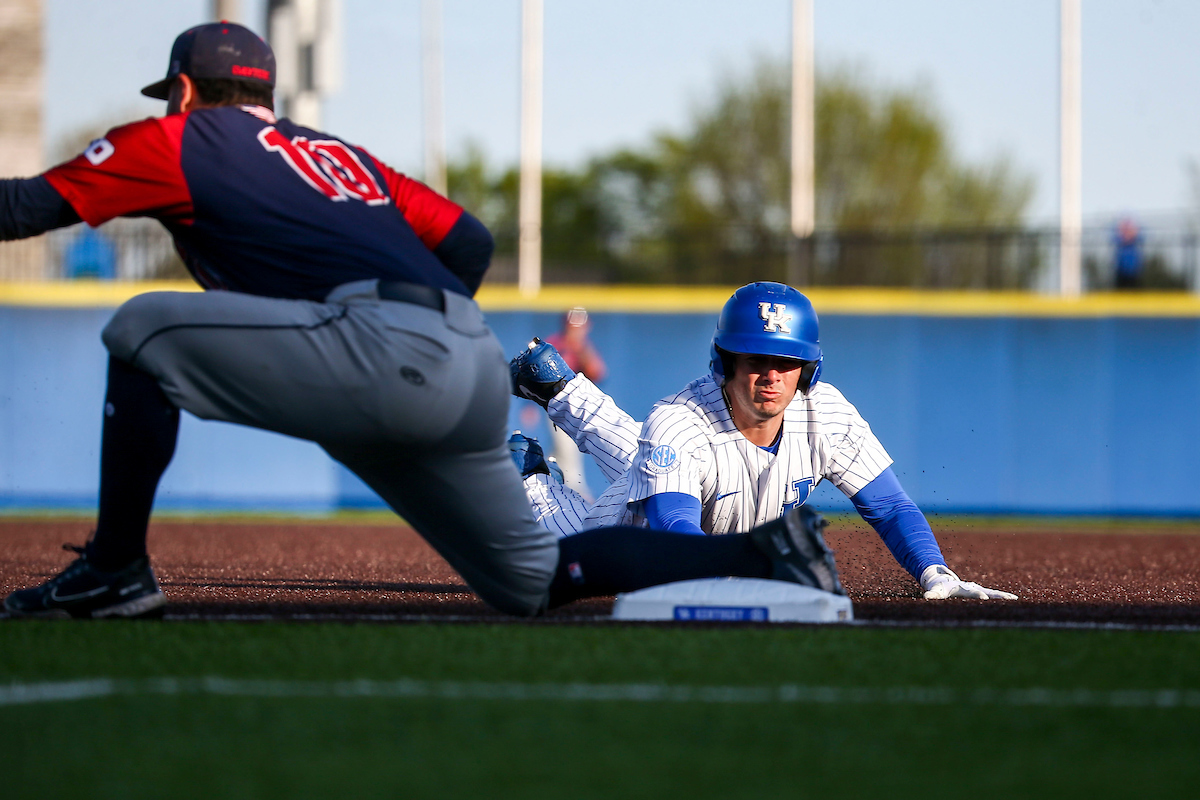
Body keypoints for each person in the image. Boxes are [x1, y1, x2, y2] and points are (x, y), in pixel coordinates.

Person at [3, 23, 852, 619]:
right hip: (464, 360)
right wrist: (435, 343)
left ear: (184, 91)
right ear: (268, 93)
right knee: (533, 580)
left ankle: (114, 571)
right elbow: (468, 239)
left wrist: (383, 346)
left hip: (380, 349)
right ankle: (766, 549)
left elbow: (25, 207)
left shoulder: (178, 138)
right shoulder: (339, 155)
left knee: (140, 329)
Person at [509, 282, 1017, 601]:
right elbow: (673, 529)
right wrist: (748, 562)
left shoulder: (827, 413)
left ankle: (559, 386)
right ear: (725, 363)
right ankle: (530, 479)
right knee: (558, 552)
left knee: (657, 449)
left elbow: (888, 504)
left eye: (787, 362)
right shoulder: (678, 419)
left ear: (808, 369)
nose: (771, 376)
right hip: (634, 526)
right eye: (755, 361)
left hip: (687, 465)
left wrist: (935, 573)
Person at [541, 306, 606, 497]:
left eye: (580, 327)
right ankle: (579, 495)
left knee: (561, 454)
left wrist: (581, 351)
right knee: (567, 454)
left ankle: (539, 479)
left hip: (578, 411)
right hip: (556, 409)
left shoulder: (584, 348)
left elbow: (598, 373)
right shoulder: (554, 345)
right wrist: (527, 406)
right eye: (573, 327)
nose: (577, 331)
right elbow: (533, 376)